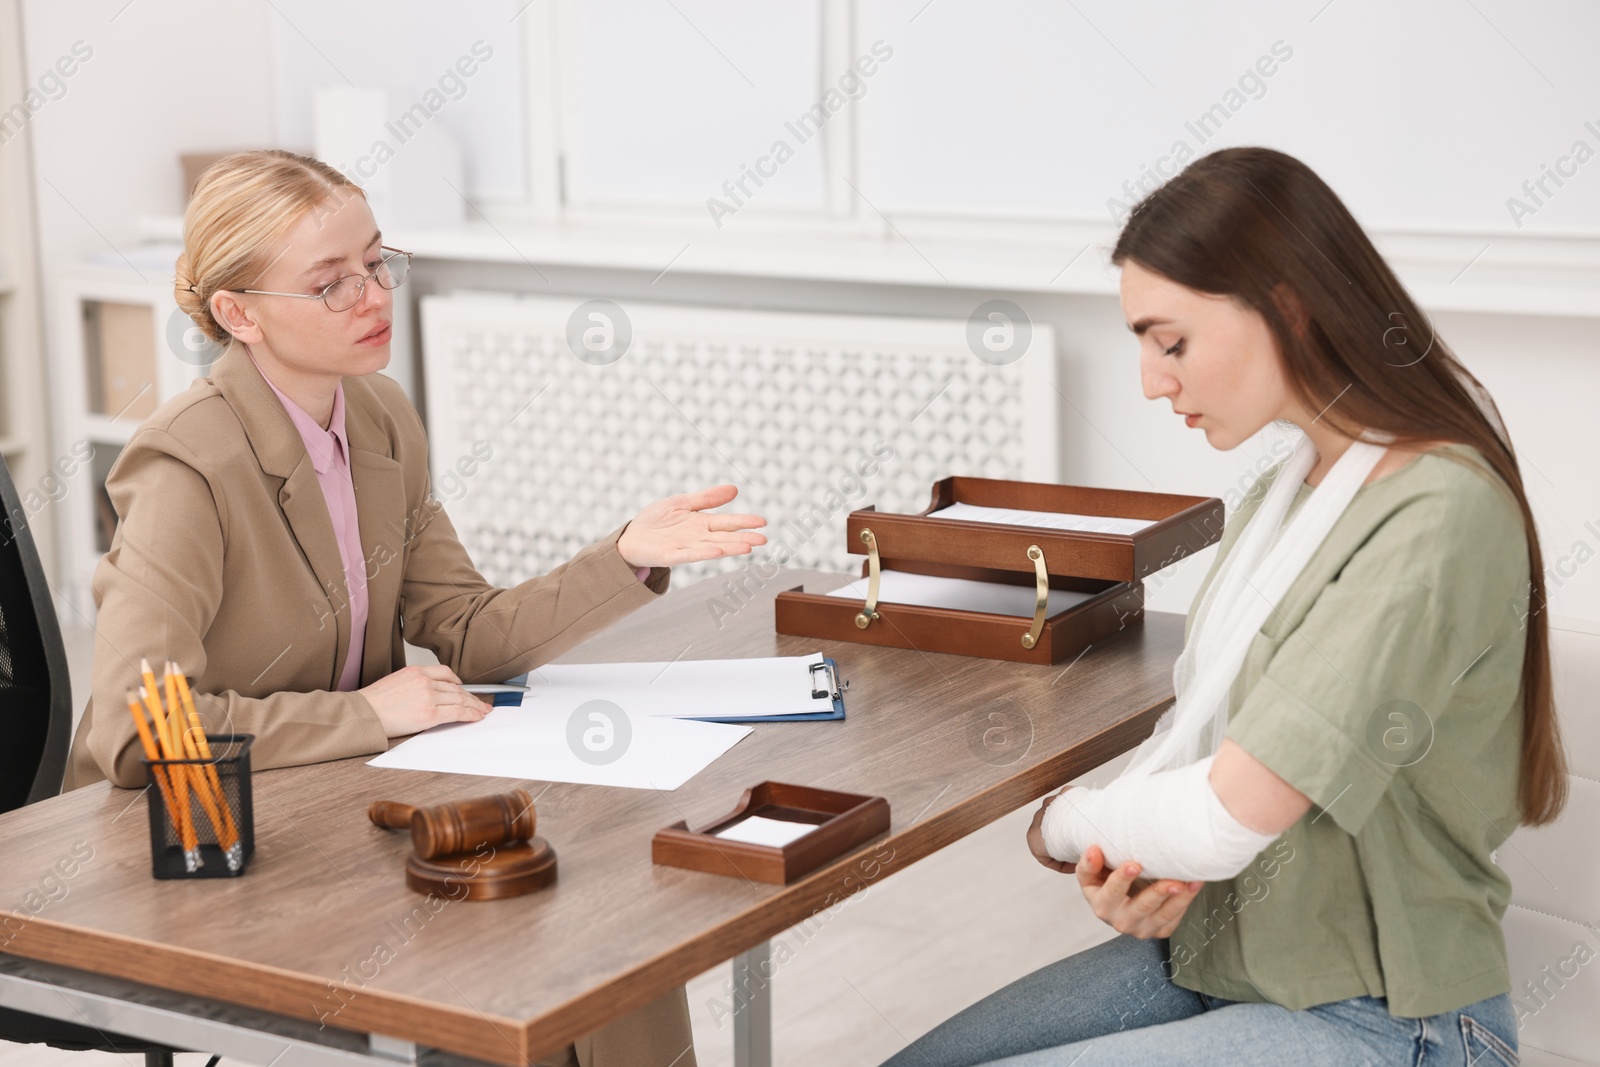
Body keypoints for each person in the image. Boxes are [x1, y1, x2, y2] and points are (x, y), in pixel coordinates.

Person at [64, 149, 765, 1067]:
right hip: (197, 844)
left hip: (331, 801)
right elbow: (132, 724)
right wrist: (364, 713)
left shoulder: (380, 415)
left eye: (375, 262)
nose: (371, 295)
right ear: (238, 314)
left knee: (600, 919)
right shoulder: (186, 466)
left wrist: (625, 553)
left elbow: (469, 632)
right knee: (512, 961)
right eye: (329, 284)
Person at [882, 147, 1564, 1066]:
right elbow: (1207, 760)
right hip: (1219, 955)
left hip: (1391, 1017)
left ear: (1286, 306)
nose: (1152, 381)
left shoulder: (1437, 511)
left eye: (1172, 341)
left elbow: (1224, 816)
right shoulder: (1286, 494)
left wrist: (1063, 824)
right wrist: (1138, 867)